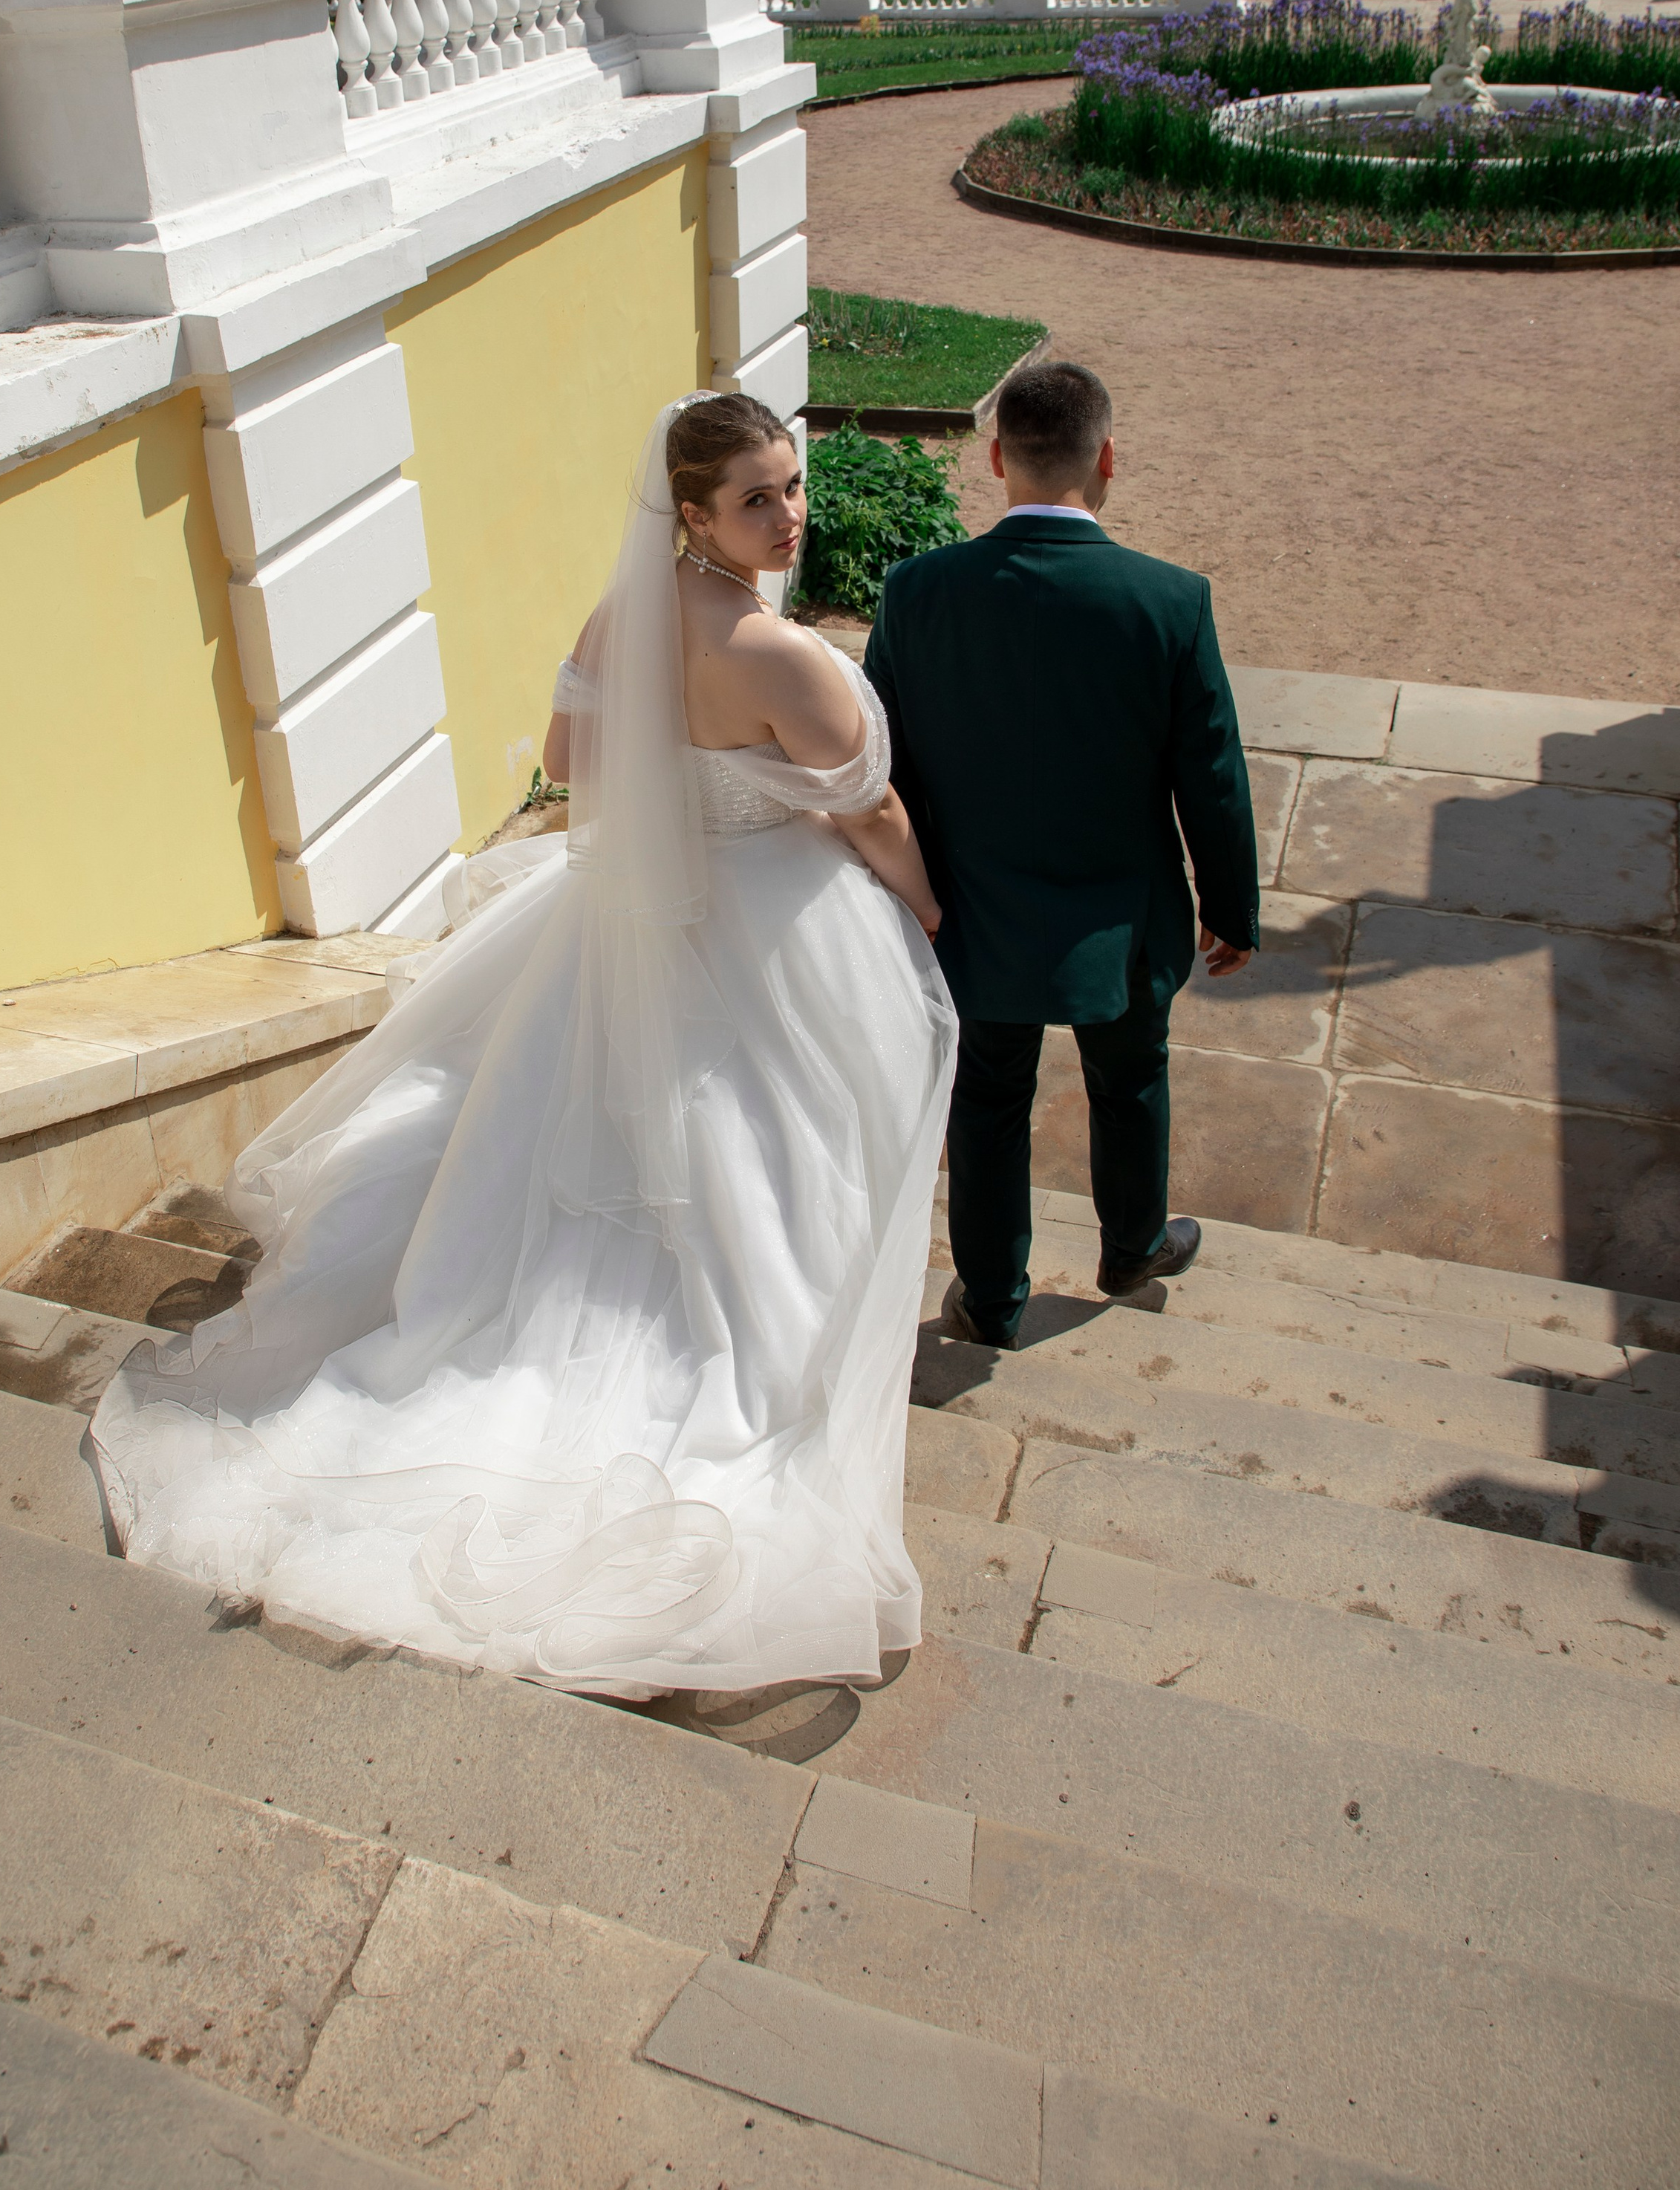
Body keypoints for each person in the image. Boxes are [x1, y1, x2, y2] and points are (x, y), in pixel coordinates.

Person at [92, 394, 955, 1699]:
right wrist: (928, 908)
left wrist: (675, 786)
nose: (790, 515)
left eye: (790, 484)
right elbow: (870, 811)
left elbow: (565, 754)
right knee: (785, 1161)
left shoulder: (625, 613)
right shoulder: (778, 653)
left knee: (586, 1142)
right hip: (780, 926)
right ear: (692, 512)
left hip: (635, 922)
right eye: (756, 499)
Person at [865, 357, 1259, 1346]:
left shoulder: (915, 592)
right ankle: (1131, 1247)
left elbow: (883, 764)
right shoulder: (1170, 601)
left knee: (986, 1101)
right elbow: (1211, 773)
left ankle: (991, 1297)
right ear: (1108, 457)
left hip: (970, 915)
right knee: (1130, 1082)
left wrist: (902, 897)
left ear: (996, 457)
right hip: (1120, 923)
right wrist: (1231, 908)